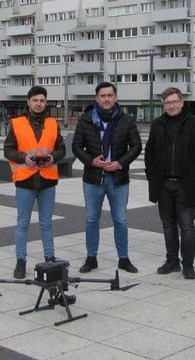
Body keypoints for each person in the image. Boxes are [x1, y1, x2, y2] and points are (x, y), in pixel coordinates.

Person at [73, 82, 142, 274]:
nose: (106, 99)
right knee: (91, 219)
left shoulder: (126, 120)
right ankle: (91, 258)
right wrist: (91, 161)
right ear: (97, 98)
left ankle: (124, 258)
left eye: (110, 95)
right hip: (93, 179)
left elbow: (136, 146)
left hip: (118, 179)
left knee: (120, 219)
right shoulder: (86, 120)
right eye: (102, 96)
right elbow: (77, 146)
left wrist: (120, 163)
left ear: (115, 97)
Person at [144, 87, 195, 280]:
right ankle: (172, 261)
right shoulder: (157, 124)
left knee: (187, 226)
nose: (171, 105)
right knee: (168, 225)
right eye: (167, 103)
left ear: (182, 102)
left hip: (185, 185)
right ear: (163, 105)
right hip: (163, 184)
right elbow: (150, 151)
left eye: (174, 101)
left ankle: (188, 264)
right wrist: (151, 173)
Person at [3, 86, 66, 279]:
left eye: (42, 101)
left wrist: (52, 158)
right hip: (25, 181)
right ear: (28, 102)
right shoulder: (16, 123)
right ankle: (21, 261)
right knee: (23, 224)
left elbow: (61, 149)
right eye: (35, 100)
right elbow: (8, 150)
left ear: (46, 103)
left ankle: (50, 257)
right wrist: (24, 158)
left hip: (47, 181)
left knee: (46, 223)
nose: (39, 104)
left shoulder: (52, 123)